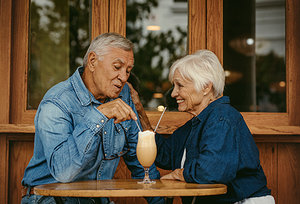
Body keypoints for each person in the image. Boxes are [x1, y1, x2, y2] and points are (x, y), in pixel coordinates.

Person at [21, 32, 163, 204]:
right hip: (50, 199)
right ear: (93, 61)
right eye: (117, 67)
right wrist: (99, 115)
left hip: (96, 199)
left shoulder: (123, 94)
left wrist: (159, 200)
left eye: (128, 70)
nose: (124, 77)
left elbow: (139, 160)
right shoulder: (57, 102)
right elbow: (64, 172)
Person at [129, 50, 275, 204]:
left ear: (206, 87)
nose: (173, 93)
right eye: (174, 86)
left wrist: (179, 174)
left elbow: (211, 171)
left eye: (180, 85)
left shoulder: (222, 118)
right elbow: (164, 155)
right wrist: (139, 110)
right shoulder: (196, 123)